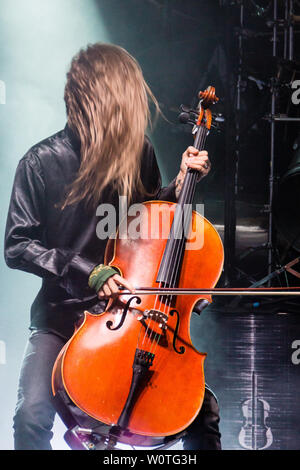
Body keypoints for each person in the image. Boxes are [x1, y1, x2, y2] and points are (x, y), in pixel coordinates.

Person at [4, 43, 221, 450]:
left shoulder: (139, 152)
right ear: (96, 97)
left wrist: (179, 185)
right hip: (60, 317)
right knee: (30, 415)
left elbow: (149, 223)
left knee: (201, 411)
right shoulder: (39, 161)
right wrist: (87, 270)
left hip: (129, 315)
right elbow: (17, 244)